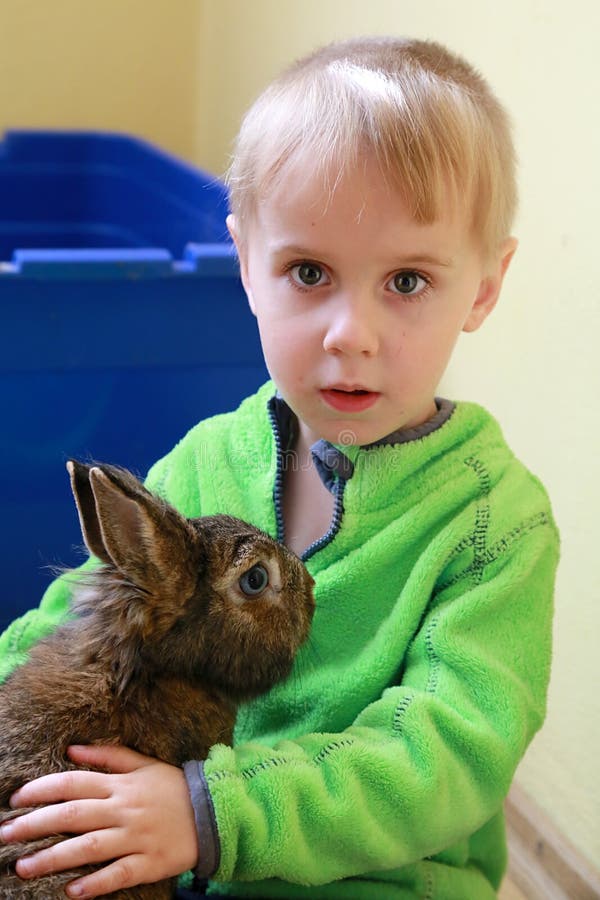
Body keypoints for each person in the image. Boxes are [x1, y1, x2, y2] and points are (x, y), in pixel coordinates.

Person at [0, 36, 559, 900]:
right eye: (309, 272)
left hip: (378, 881)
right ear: (247, 268)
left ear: (484, 286)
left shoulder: (493, 523)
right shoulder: (207, 456)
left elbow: (443, 755)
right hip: (181, 854)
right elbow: (78, 618)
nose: (351, 334)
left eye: (407, 281)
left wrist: (211, 812)